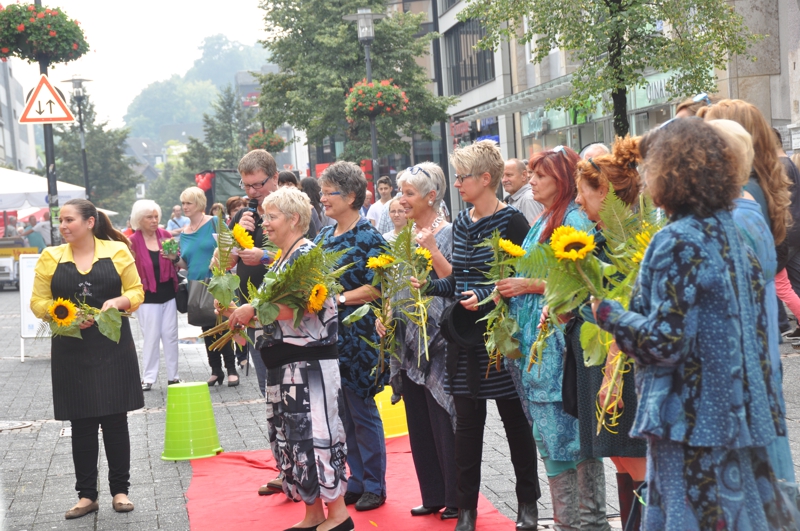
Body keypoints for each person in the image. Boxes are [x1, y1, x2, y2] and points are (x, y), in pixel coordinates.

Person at [591, 118, 796, 530]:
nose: (644, 179)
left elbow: (665, 342)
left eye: (649, 168)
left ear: (671, 172)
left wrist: (606, 313)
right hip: (738, 415)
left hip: (692, 424)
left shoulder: (677, 239)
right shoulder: (732, 228)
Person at [413, 140, 540, 531]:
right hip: (465, 338)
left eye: (463, 177)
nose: (458, 183)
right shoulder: (463, 223)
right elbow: (460, 280)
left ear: (486, 179)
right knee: (467, 426)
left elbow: (517, 281)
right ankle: (466, 509)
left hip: (501, 338)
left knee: (516, 423)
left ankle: (528, 504)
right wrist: (428, 286)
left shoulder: (513, 221)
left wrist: (485, 296)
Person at [222, 187, 352, 531]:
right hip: (285, 365)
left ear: (294, 219)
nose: (265, 224)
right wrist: (239, 312)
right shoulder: (282, 256)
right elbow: (274, 313)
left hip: (308, 365)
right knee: (293, 440)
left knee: (316, 437)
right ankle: (312, 513)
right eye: (264, 216)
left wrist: (254, 310)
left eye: (272, 216)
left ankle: (338, 514)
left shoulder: (307, 255)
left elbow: (307, 306)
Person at [498, 145, 610, 531]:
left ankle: (590, 524)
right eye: (531, 173)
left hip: (561, 351)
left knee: (575, 441)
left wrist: (527, 285)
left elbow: (584, 283)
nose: (531, 181)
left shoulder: (575, 220)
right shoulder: (546, 217)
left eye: (540, 175)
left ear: (561, 179)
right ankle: (570, 524)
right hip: (539, 351)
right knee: (551, 440)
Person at [30, 199, 145, 519]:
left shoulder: (117, 252)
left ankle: (120, 491)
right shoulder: (50, 257)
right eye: (60, 221)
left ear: (90, 222)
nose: (63, 226)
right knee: (80, 421)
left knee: (114, 420)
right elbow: (38, 302)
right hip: (71, 348)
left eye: (69, 220)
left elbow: (136, 293)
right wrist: (62, 316)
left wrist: (117, 302)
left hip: (112, 344)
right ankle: (86, 495)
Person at [574, 138, 648, 530]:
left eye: (583, 193)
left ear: (603, 191)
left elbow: (625, 308)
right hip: (605, 364)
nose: (579, 203)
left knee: (637, 465)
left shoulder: (626, 240)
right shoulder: (604, 238)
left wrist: (611, 376)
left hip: (621, 368)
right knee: (620, 459)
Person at [385, 162, 458, 520]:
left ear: (431, 196)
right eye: (401, 192)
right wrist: (389, 318)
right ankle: (432, 493)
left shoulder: (446, 233)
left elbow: (453, 282)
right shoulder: (404, 234)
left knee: (443, 418)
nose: (402, 199)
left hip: (439, 341)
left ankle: (455, 496)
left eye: (409, 193)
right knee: (418, 421)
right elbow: (396, 285)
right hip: (408, 340)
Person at [316, 161, 388, 512]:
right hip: (327, 338)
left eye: (330, 193)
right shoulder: (322, 236)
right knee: (342, 415)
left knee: (362, 411)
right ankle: (356, 479)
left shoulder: (369, 237)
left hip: (359, 337)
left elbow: (378, 288)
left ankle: (375, 483)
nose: (323, 199)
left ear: (352, 196)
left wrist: (339, 298)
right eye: (323, 192)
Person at [225, 150, 281, 495]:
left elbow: (308, 257)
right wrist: (235, 237)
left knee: (291, 393)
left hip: (285, 314)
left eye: (257, 184)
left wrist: (266, 255)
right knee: (269, 394)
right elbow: (225, 264)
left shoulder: (291, 210)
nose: (251, 192)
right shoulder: (243, 215)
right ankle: (282, 467)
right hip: (252, 317)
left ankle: (304, 464)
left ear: (273, 178)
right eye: (246, 186)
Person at [168, 186, 238, 387]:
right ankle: (216, 370)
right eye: (183, 203)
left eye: (188, 203)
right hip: (196, 283)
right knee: (207, 327)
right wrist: (174, 259)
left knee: (223, 325)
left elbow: (229, 247)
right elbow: (187, 263)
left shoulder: (215, 222)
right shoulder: (184, 233)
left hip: (217, 281)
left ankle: (231, 368)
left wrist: (221, 262)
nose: (184, 207)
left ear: (199, 204)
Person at [128, 200, 180, 391]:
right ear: (139, 219)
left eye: (156, 216)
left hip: (168, 294)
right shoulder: (132, 241)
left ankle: (174, 377)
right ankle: (148, 378)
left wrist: (174, 257)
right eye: (149, 217)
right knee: (150, 337)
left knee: (171, 336)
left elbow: (177, 263)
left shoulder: (165, 236)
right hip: (147, 296)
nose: (154, 220)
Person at [502, 158, 543, 225]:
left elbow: (534, 233)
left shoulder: (528, 199)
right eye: (502, 176)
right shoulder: (517, 198)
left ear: (524, 175)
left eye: (509, 175)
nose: (504, 180)